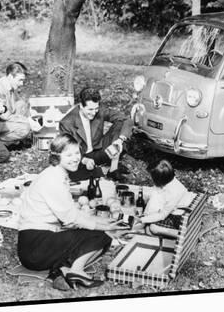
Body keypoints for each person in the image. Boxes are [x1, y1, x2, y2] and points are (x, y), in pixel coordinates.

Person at [17, 133, 125, 290]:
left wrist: (104, 221)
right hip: (35, 247)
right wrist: (105, 227)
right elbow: (71, 219)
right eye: (68, 154)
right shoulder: (53, 180)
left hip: (36, 243)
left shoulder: (56, 174)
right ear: (56, 156)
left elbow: (71, 212)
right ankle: (76, 271)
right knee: (100, 236)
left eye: (77, 153)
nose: (75, 158)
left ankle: (62, 270)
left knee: (98, 235)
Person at [59, 87, 133, 182]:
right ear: (81, 106)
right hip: (82, 157)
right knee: (70, 172)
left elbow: (126, 119)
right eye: (90, 109)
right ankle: (105, 171)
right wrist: (84, 160)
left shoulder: (99, 110)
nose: (94, 113)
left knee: (121, 124)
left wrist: (120, 140)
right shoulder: (66, 123)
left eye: (96, 109)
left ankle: (113, 167)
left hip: (101, 150)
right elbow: (66, 152)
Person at [0, 62, 41, 146]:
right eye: (20, 80)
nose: (22, 84)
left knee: (21, 104)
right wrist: (28, 121)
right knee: (25, 129)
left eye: (23, 80)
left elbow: (20, 105)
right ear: (10, 76)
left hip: (2, 118)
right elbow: (4, 116)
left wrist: (31, 116)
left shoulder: (10, 85)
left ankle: (15, 136)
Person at [137, 160, 194, 225]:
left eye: (152, 177)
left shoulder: (173, 192)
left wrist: (142, 219)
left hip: (180, 216)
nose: (150, 179)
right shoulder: (169, 181)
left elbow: (162, 215)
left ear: (158, 179)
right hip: (173, 209)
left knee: (152, 228)